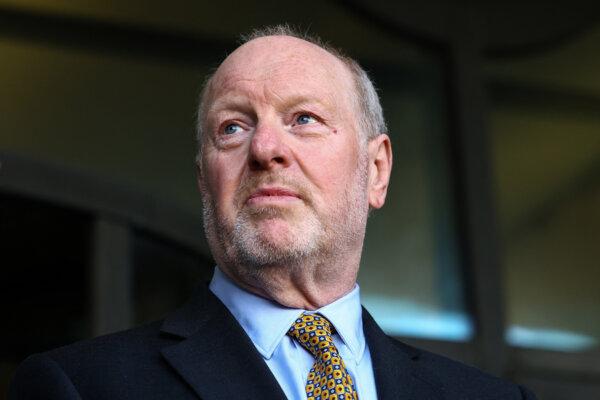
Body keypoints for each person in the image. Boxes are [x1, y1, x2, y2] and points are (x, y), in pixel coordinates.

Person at [10, 26, 536, 400]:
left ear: (375, 170)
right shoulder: (81, 387)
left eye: (303, 118)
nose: (265, 148)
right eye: (232, 127)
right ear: (204, 182)